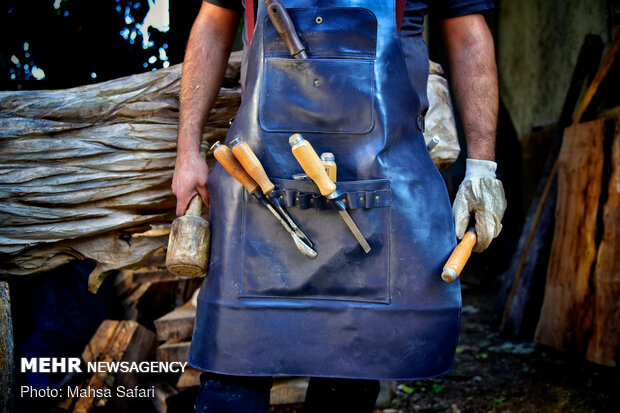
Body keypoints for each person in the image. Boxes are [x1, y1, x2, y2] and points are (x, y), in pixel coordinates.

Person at [172, 1, 507, 412]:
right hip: (260, 187)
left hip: (376, 189)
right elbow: (213, 20)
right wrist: (187, 150)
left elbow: (468, 30)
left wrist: (481, 169)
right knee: (231, 380)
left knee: (350, 378)